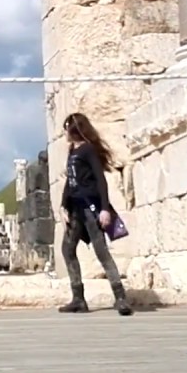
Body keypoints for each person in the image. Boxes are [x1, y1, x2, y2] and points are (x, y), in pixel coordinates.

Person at [57, 112, 132, 316]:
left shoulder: (88, 150)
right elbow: (70, 181)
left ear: (75, 129)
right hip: (75, 209)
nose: (64, 132)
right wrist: (63, 206)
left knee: (101, 251)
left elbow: (100, 179)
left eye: (67, 127)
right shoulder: (72, 151)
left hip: (91, 208)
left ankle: (120, 297)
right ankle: (78, 298)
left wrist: (105, 209)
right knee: (67, 249)